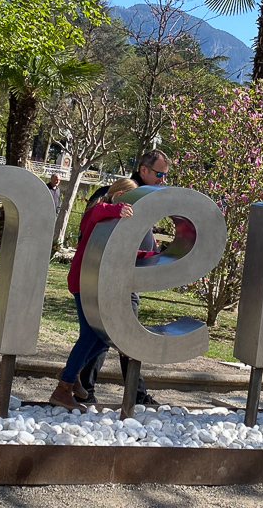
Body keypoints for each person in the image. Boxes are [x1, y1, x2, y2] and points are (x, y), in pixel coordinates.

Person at [76, 149, 171, 405]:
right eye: (159, 174)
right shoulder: (125, 195)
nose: (163, 179)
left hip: (128, 275)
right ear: (144, 170)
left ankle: (85, 388)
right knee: (119, 336)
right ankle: (93, 388)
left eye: (165, 175)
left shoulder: (143, 197)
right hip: (117, 276)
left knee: (111, 335)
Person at [49, 178, 138, 411]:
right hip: (84, 279)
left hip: (95, 282)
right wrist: (119, 207)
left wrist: (151, 256)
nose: (133, 206)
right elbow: (99, 210)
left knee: (104, 337)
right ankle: (63, 389)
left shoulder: (114, 218)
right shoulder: (98, 210)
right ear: (120, 196)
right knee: (90, 334)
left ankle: (72, 372)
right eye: (131, 200)